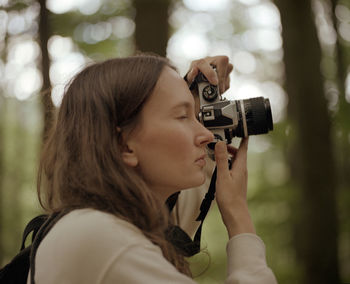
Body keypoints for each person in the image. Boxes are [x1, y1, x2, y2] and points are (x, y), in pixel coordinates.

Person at [30, 54, 277, 283]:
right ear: (125, 145)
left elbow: (197, 184)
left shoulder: (106, 222)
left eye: (197, 116)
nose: (204, 133)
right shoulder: (107, 239)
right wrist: (238, 216)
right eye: (182, 117)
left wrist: (205, 92)